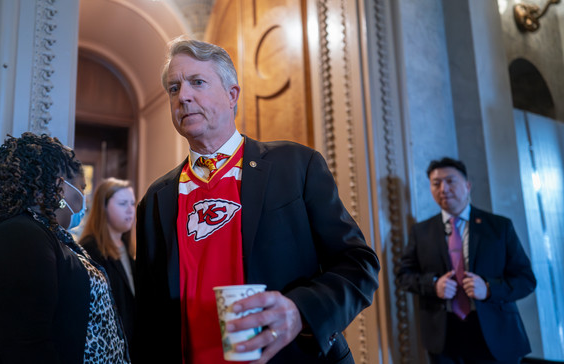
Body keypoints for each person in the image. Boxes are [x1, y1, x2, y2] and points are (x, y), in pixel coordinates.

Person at [135, 36, 380, 364]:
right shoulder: (155, 200)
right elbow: (149, 317)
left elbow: (358, 265)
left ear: (232, 94)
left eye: (197, 82)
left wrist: (299, 312)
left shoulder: (295, 166)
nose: (184, 96)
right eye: (174, 88)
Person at [0, 133, 129, 363]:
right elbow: (27, 347)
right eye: (82, 188)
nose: (84, 199)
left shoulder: (47, 235)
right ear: (60, 187)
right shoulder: (19, 235)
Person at [396, 157, 536, 364]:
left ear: (467, 185)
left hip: (495, 333)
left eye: (450, 181)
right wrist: (433, 285)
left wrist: (489, 288)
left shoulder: (499, 227)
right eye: (436, 183)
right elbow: (403, 275)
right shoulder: (421, 231)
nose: (443, 188)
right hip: (444, 337)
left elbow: (526, 280)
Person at [79, 177, 137, 360]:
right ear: (103, 208)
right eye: (122, 203)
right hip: (108, 350)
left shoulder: (129, 248)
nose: (130, 210)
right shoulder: (90, 250)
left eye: (132, 204)